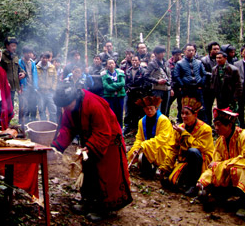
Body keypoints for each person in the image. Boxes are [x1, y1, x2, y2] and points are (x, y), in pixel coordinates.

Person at [52, 69, 132, 221]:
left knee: (104, 174)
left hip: (108, 143)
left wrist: (90, 146)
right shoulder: (70, 105)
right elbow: (67, 127)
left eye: (66, 105)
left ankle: (104, 208)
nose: (65, 109)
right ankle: (88, 201)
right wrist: (57, 146)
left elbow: (104, 130)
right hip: (90, 142)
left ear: (73, 98)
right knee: (88, 172)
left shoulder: (93, 103)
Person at [160, 96, 214, 196]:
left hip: (201, 160)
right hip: (184, 160)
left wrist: (185, 134)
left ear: (195, 115)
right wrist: (166, 168)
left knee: (192, 152)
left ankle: (193, 184)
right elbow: (173, 148)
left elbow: (200, 147)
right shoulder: (180, 127)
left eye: (187, 114)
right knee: (171, 181)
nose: (184, 116)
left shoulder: (205, 129)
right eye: (182, 113)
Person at [127, 96, 174, 179]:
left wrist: (145, 145)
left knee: (149, 151)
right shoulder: (142, 121)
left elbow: (163, 138)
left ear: (156, 108)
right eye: (147, 109)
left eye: (151, 108)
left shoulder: (163, 120)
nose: (149, 111)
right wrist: (136, 149)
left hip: (161, 147)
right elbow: (139, 138)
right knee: (136, 152)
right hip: (147, 148)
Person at [174, 43, 206, 118]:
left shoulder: (199, 62)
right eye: (189, 50)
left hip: (197, 89)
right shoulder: (179, 63)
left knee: (200, 108)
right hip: (186, 89)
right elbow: (176, 76)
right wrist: (182, 85)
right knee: (184, 108)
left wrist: (201, 84)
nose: (191, 52)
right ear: (184, 51)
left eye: (193, 50)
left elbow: (204, 74)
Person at [124, 56, 149, 135]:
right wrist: (127, 88)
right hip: (130, 94)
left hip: (139, 94)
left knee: (140, 111)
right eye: (133, 60)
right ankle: (130, 128)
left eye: (136, 60)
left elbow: (145, 83)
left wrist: (141, 90)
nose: (134, 61)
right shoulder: (128, 71)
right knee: (130, 111)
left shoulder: (143, 71)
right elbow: (126, 82)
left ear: (139, 61)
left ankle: (140, 128)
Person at [144, 45, 172, 115]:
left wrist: (170, 86)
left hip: (167, 89)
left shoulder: (166, 63)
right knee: (157, 109)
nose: (162, 54)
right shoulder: (152, 64)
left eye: (163, 52)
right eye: (160, 53)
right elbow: (146, 76)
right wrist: (157, 81)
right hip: (157, 89)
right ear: (155, 53)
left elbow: (170, 75)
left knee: (166, 109)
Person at [101, 59, 127, 127]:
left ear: (115, 64)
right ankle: (112, 129)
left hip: (119, 96)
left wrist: (112, 85)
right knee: (110, 113)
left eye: (112, 63)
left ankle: (120, 129)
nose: (111, 65)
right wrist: (116, 87)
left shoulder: (120, 73)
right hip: (109, 97)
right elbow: (106, 86)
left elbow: (122, 83)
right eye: (109, 63)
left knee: (119, 113)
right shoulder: (104, 74)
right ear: (107, 65)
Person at [201, 41, 221, 124]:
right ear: (210, 50)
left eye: (218, 49)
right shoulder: (204, 60)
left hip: (220, 87)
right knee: (207, 107)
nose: (216, 51)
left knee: (220, 107)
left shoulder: (221, 58)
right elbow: (203, 72)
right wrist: (214, 74)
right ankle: (208, 124)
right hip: (208, 87)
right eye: (214, 49)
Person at [0, 36, 20, 116]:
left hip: (13, 86)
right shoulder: (2, 56)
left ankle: (9, 123)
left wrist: (23, 73)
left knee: (11, 105)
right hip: (5, 86)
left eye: (15, 45)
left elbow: (19, 68)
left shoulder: (15, 57)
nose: (14, 47)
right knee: (5, 105)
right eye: (12, 45)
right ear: (7, 46)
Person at [18, 47, 39, 124]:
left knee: (32, 106)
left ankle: (31, 124)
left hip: (32, 88)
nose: (29, 54)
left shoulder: (32, 63)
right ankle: (21, 124)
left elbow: (35, 75)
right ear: (24, 53)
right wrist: (19, 87)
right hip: (24, 87)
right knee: (23, 107)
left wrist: (36, 87)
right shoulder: (19, 62)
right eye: (27, 53)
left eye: (30, 52)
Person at [37, 52, 58, 123]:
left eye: (46, 58)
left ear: (48, 59)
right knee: (41, 109)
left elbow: (55, 78)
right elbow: (35, 78)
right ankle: (44, 124)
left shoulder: (52, 67)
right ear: (40, 58)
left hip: (49, 92)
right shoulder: (37, 67)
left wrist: (53, 89)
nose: (44, 59)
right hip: (40, 92)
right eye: (43, 58)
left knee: (53, 109)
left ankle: (53, 124)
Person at [168, 48, 183, 122]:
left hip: (181, 87)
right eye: (177, 55)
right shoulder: (168, 64)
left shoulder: (183, 63)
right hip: (172, 87)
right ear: (173, 55)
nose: (179, 57)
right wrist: (171, 87)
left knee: (181, 105)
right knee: (168, 104)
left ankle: (180, 120)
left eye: (180, 55)